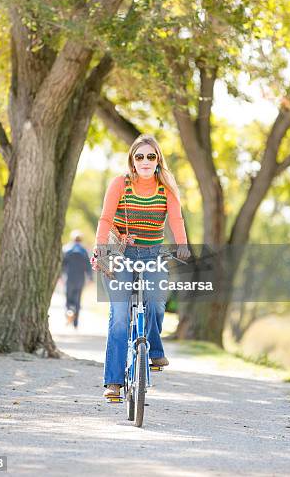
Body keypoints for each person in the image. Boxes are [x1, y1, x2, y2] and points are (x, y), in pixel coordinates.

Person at [94, 134, 190, 398]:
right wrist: (100, 246)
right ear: (132, 161)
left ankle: (153, 352)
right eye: (140, 157)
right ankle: (113, 382)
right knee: (120, 319)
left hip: (153, 254)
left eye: (151, 156)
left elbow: (177, 219)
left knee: (157, 301)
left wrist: (182, 244)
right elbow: (104, 219)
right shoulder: (120, 184)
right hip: (120, 255)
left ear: (158, 160)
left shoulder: (166, 187)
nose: (145, 161)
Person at [62, 230, 92, 328]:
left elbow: (62, 264)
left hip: (69, 278)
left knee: (68, 299)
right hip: (80, 279)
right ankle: (75, 323)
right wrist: (90, 278)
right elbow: (88, 265)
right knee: (77, 300)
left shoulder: (66, 249)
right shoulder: (84, 251)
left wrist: (59, 276)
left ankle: (69, 312)